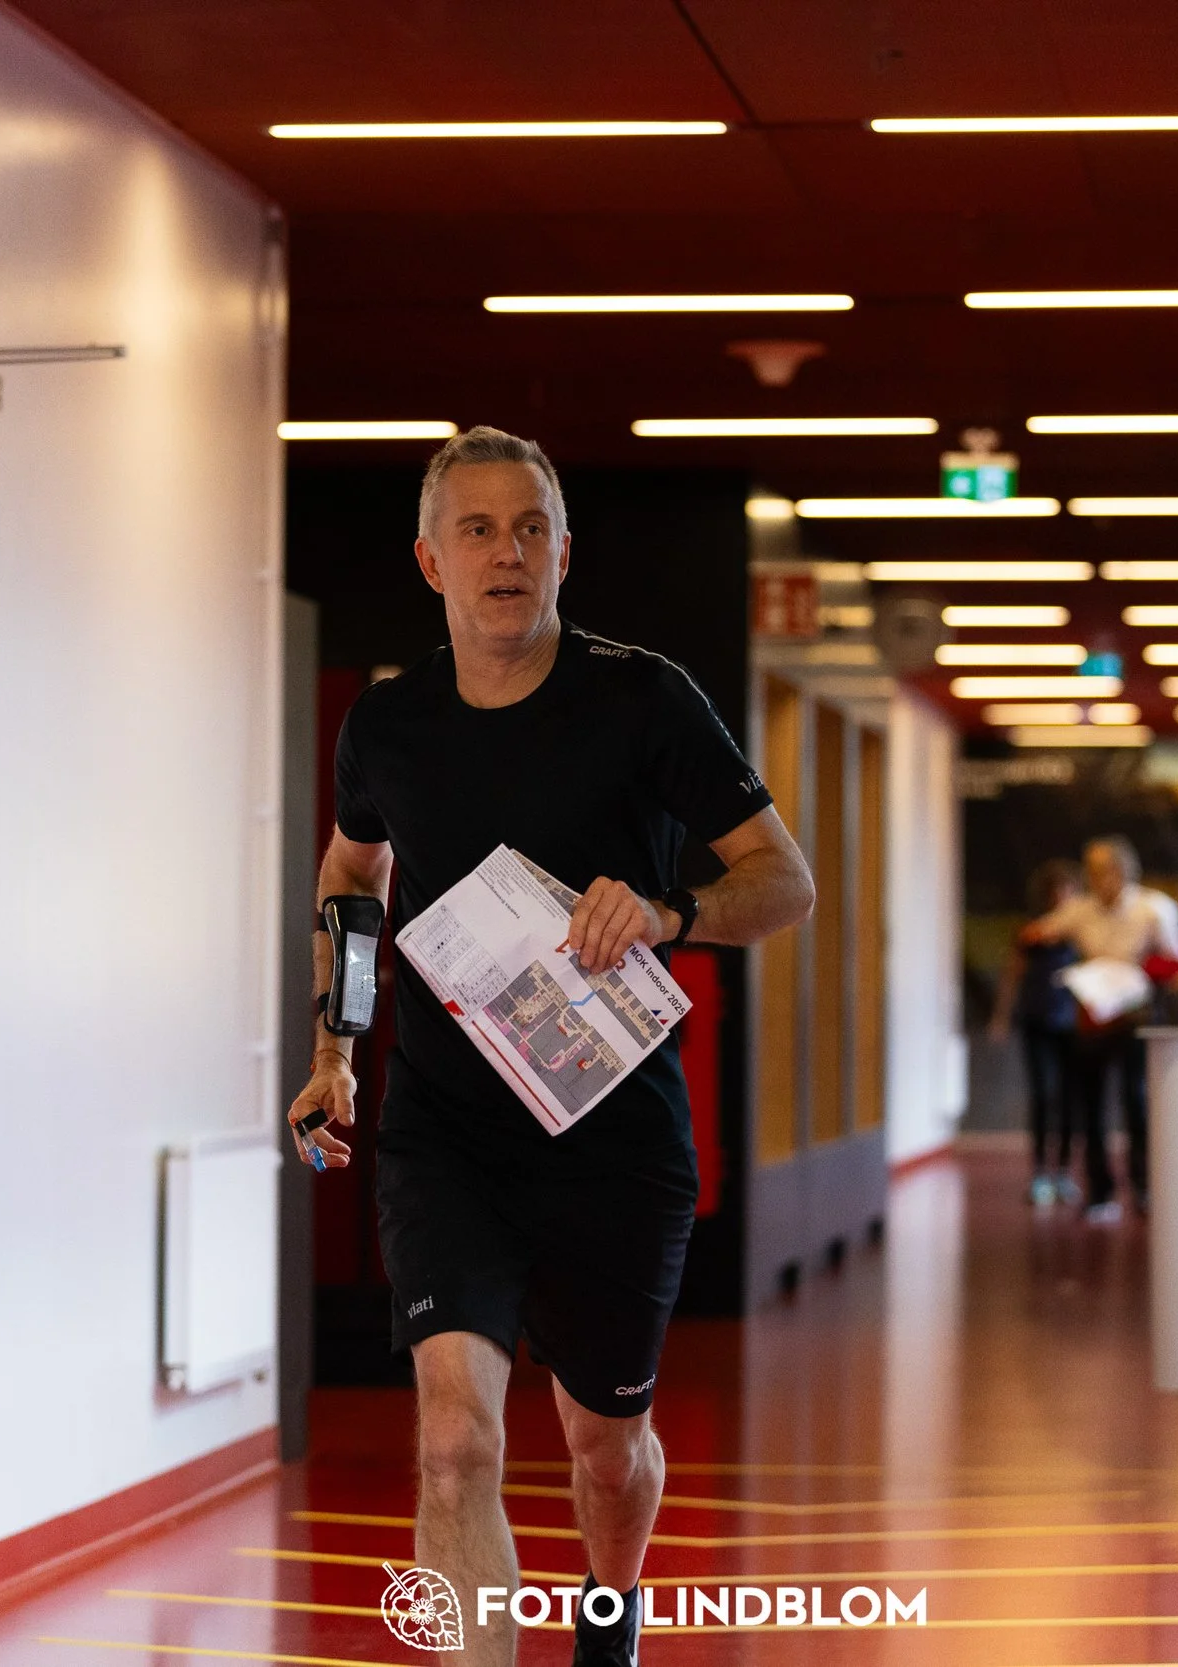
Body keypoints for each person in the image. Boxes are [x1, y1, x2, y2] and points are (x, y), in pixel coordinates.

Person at [288, 427, 814, 1667]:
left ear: (566, 552)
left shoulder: (643, 698)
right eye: (477, 529)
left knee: (602, 1448)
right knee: (456, 1437)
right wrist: (338, 1044)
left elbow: (783, 885)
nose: (506, 552)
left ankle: (611, 1611)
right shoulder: (389, 724)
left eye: (530, 528)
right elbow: (353, 870)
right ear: (430, 560)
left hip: (612, 1137)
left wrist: (672, 911)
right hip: (443, 1130)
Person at [1022, 836, 1178, 1224]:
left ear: (1125, 870)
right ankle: (1100, 1191)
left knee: (1138, 1100)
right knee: (1092, 1105)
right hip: (1093, 1014)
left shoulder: (1153, 909)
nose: (1100, 879)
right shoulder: (1079, 910)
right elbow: (1038, 933)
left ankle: (1145, 1187)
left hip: (1137, 1013)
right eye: (1093, 871)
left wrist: (1138, 973)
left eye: (1107, 869)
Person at [988, 859, 1086, 1207]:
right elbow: (1012, 975)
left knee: (1069, 1100)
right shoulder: (1030, 933)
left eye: (1066, 889)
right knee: (1043, 1095)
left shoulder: (1080, 932)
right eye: (1055, 890)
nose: (1061, 896)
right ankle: (1041, 1172)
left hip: (1073, 1022)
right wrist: (1000, 1017)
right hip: (1038, 1019)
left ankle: (1063, 1171)